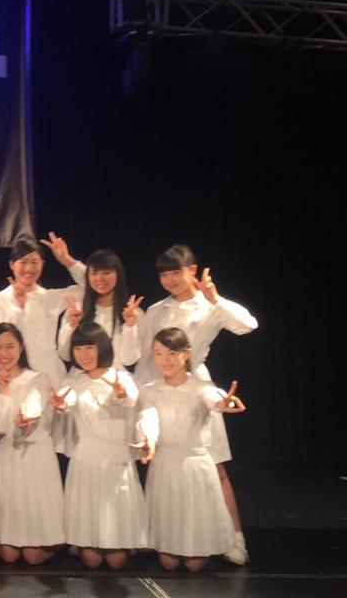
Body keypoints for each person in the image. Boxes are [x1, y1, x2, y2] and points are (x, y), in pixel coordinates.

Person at [135, 244, 257, 564]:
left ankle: (234, 537)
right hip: (161, 387)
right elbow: (147, 356)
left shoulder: (209, 305)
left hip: (196, 386)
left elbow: (248, 325)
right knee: (164, 463)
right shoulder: (157, 310)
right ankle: (164, 533)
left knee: (214, 464)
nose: (170, 280)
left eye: (176, 272)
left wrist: (215, 298)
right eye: (164, 275)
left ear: (192, 270)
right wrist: (140, 396)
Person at [133, 327, 246, 572]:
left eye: (172, 353)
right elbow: (148, 416)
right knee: (169, 561)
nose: (165, 360)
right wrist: (149, 439)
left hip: (195, 467)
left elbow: (213, 398)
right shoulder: (150, 390)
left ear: (186, 353)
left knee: (195, 564)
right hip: (166, 466)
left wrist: (223, 403)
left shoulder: (200, 386)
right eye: (159, 354)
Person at [52, 323, 147, 569]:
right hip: (86, 460)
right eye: (78, 349)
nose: (83, 354)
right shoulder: (74, 380)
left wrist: (121, 394)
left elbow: (131, 399)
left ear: (101, 347)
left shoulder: (121, 376)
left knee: (116, 561)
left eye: (89, 347)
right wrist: (61, 405)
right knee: (91, 560)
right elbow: (66, 400)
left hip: (115, 460)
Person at [0, 323, 64, 565]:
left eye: (10, 347)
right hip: (7, 458)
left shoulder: (38, 378)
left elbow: (34, 403)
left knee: (33, 556)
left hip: (36, 458)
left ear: (21, 348)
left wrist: (26, 416)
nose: (4, 353)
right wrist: (3, 390)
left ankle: (58, 539)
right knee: (9, 555)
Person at [0, 234, 86, 388]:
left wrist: (67, 260)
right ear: (11, 264)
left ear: (42, 264)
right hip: (18, 375)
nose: (29, 268)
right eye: (23, 262)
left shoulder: (49, 297)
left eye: (35, 262)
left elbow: (90, 286)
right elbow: (2, 342)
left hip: (52, 375)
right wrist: (20, 309)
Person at [57, 248, 142, 370]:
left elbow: (129, 359)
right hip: (81, 378)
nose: (100, 278)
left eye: (106, 273)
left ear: (118, 275)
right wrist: (71, 326)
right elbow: (65, 355)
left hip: (115, 378)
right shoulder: (77, 310)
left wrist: (130, 326)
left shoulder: (132, 313)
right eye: (94, 273)